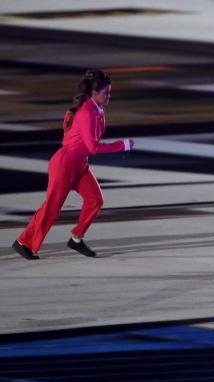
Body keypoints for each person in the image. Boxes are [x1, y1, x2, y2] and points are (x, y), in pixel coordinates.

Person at [12, 69, 133, 260]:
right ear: (94, 93)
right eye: (106, 93)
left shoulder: (95, 109)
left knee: (95, 200)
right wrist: (122, 145)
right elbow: (92, 147)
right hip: (65, 164)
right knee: (52, 208)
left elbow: (74, 136)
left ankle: (76, 238)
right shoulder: (87, 112)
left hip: (79, 164)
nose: (109, 96)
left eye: (110, 92)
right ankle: (23, 242)